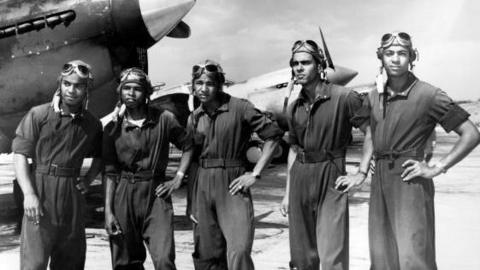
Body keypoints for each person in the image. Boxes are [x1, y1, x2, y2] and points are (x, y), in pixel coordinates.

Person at [338, 31, 480, 270]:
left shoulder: (430, 94)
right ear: (380, 57)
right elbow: (371, 132)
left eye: (402, 53)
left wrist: (437, 167)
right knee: (381, 256)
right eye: (389, 53)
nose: (395, 59)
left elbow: (471, 134)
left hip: (410, 181)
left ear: (412, 57)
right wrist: (362, 171)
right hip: (379, 180)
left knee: (413, 256)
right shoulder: (374, 96)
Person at [187, 60, 284, 270]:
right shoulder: (194, 118)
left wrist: (255, 173)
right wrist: (191, 202)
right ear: (193, 85)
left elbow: (273, 136)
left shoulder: (241, 108)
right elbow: (193, 160)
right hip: (202, 186)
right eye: (199, 83)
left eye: (210, 83)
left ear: (220, 84)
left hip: (232, 184)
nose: (203, 89)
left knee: (239, 251)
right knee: (206, 255)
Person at [279, 40, 365, 270]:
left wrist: (361, 172)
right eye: (295, 63)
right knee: (302, 257)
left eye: (305, 63)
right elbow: (293, 150)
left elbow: (374, 133)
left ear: (319, 66)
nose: (299, 68)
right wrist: (288, 193)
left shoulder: (345, 97)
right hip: (299, 178)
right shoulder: (293, 107)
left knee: (332, 254)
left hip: (331, 176)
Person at [12, 60, 103, 270]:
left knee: (70, 263)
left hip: (72, 196)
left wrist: (88, 179)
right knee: (33, 263)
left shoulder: (91, 124)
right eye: (67, 84)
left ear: (86, 89)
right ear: (60, 84)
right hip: (41, 192)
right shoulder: (39, 114)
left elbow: (101, 155)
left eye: (78, 86)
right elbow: (20, 155)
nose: (72, 90)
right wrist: (29, 194)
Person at [102, 68, 193, 270]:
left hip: (156, 195)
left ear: (146, 93)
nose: (131, 93)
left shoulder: (165, 119)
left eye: (137, 89)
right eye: (126, 88)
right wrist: (108, 211)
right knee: (125, 262)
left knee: (164, 260)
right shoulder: (112, 129)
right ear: (120, 92)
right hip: (123, 194)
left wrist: (178, 177)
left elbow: (188, 146)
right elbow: (110, 173)